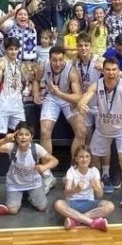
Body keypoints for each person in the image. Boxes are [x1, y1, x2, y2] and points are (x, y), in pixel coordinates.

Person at [77, 57, 122, 222]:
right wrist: (81, 104)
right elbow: (85, 97)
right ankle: (94, 190)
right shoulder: (96, 85)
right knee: (92, 158)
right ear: (103, 70)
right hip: (103, 128)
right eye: (108, 69)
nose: (111, 73)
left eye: (114, 70)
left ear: (118, 71)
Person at [32, 46, 86, 193]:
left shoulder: (71, 70)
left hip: (68, 98)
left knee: (81, 131)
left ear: (64, 59)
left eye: (60, 60)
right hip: (51, 98)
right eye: (54, 60)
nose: (57, 63)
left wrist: (59, 93)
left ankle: (73, 171)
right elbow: (36, 80)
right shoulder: (43, 65)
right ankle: (47, 174)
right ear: (49, 59)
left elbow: (78, 97)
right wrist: (35, 93)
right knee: (44, 132)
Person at [0, 122, 59, 214]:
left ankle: (43, 187)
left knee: (42, 207)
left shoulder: (36, 148)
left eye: (27, 134)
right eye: (20, 134)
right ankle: (21, 195)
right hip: (15, 184)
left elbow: (55, 160)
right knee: (12, 211)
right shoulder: (12, 147)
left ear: (31, 137)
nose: (23, 137)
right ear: (16, 136)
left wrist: (44, 167)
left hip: (33, 183)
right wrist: (4, 140)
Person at [54, 146, 114, 231]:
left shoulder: (94, 171)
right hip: (73, 204)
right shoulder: (71, 171)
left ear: (90, 158)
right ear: (76, 159)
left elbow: (100, 195)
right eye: (81, 157)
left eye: (87, 156)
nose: (84, 159)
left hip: (89, 203)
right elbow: (67, 193)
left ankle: (75, 221)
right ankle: (92, 222)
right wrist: (76, 190)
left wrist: (96, 188)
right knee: (58, 204)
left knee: (110, 206)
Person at [0, 37, 29, 135]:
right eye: (11, 49)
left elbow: (24, 81)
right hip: (2, 103)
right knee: (0, 135)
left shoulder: (19, 63)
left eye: (16, 49)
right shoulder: (1, 62)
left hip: (17, 103)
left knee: (22, 133)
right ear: (6, 50)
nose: (14, 52)